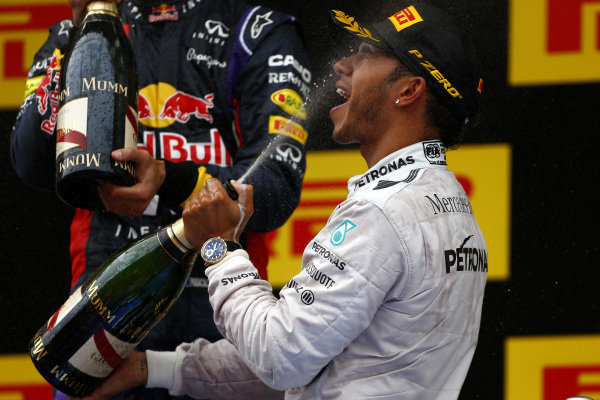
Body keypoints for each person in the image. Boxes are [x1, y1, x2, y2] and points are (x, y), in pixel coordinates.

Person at [75, 2, 488, 399]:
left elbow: (281, 355)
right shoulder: (449, 206)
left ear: (409, 90)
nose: (341, 66)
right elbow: (312, 357)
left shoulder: (384, 211)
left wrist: (221, 247)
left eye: (366, 55)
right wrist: (155, 369)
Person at [11, 0, 311, 399]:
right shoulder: (78, 30)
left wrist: (167, 177)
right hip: (105, 310)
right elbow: (30, 161)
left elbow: (275, 189)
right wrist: (81, 33)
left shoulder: (256, 30)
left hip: (223, 312)